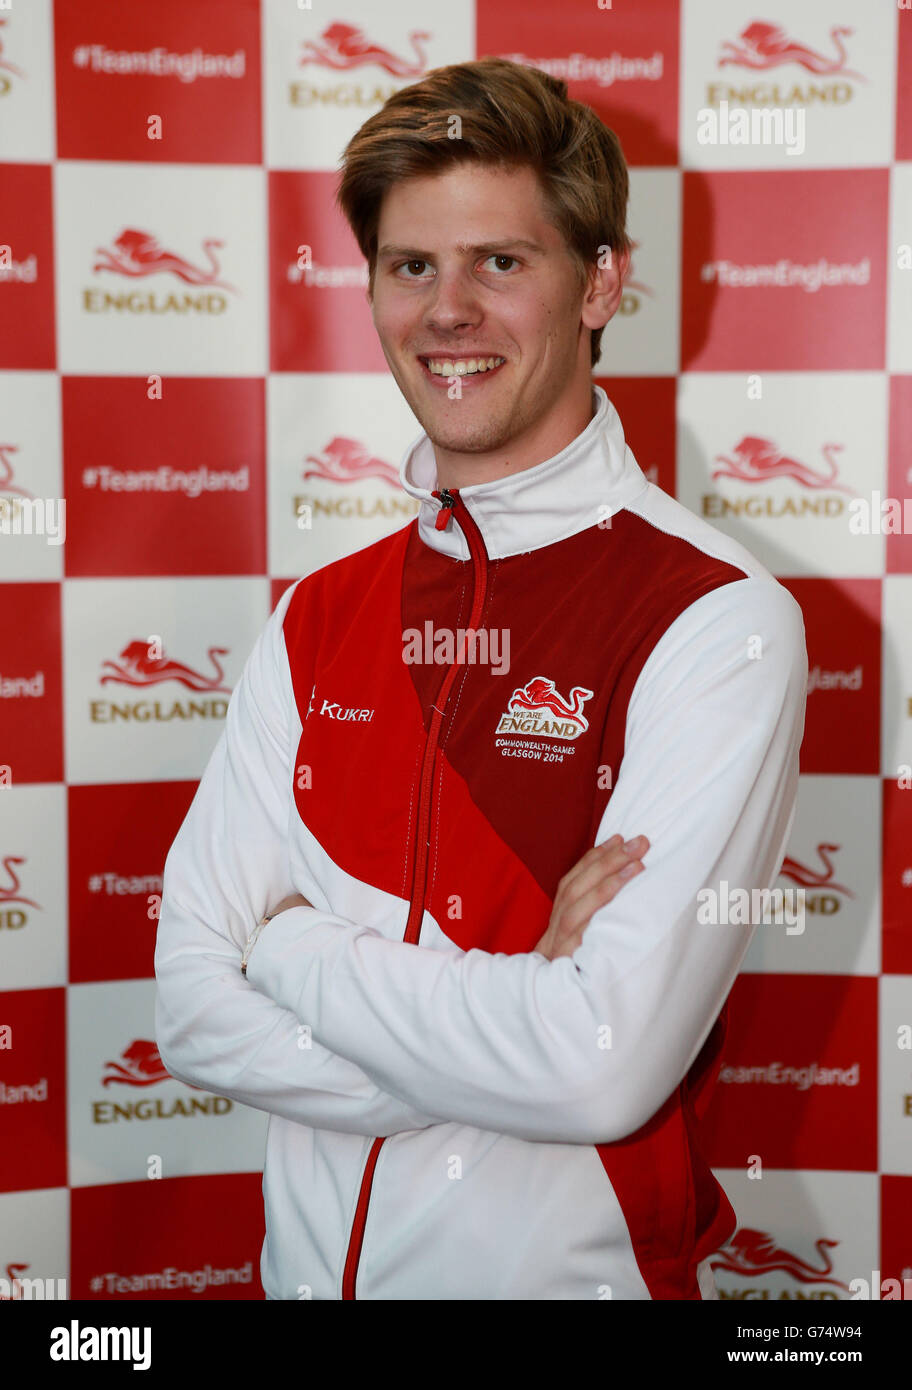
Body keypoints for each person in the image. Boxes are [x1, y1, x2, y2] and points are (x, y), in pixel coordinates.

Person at [154, 57, 807, 1300]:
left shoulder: (717, 619)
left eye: (499, 262)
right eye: (411, 266)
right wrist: (513, 1011)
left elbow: (597, 1068)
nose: (447, 311)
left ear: (601, 281)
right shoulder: (317, 614)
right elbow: (190, 1009)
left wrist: (289, 950)